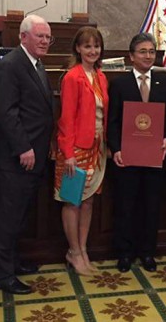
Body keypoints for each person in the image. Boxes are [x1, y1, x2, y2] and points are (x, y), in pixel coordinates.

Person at [0, 14, 54, 295]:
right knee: (8, 217)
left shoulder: (37, 64)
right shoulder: (11, 65)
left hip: (36, 154)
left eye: (47, 37)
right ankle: (2, 275)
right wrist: (23, 147)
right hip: (17, 157)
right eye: (39, 36)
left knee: (20, 215)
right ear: (23, 37)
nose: (44, 41)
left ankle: (14, 262)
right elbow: (7, 112)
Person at [107, 33, 166, 273]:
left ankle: (148, 252)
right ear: (131, 56)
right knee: (126, 206)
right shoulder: (119, 84)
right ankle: (125, 253)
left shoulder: (165, 82)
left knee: (152, 205)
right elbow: (112, 121)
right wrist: (115, 148)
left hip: (155, 157)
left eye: (152, 51)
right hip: (127, 157)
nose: (148, 56)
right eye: (143, 51)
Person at [55, 27, 109, 276]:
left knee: (88, 201)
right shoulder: (72, 77)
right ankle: (73, 251)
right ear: (78, 48)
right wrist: (68, 153)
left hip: (97, 149)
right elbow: (66, 119)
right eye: (87, 46)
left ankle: (83, 249)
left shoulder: (100, 75)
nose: (92, 51)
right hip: (75, 149)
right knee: (72, 201)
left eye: (96, 46)